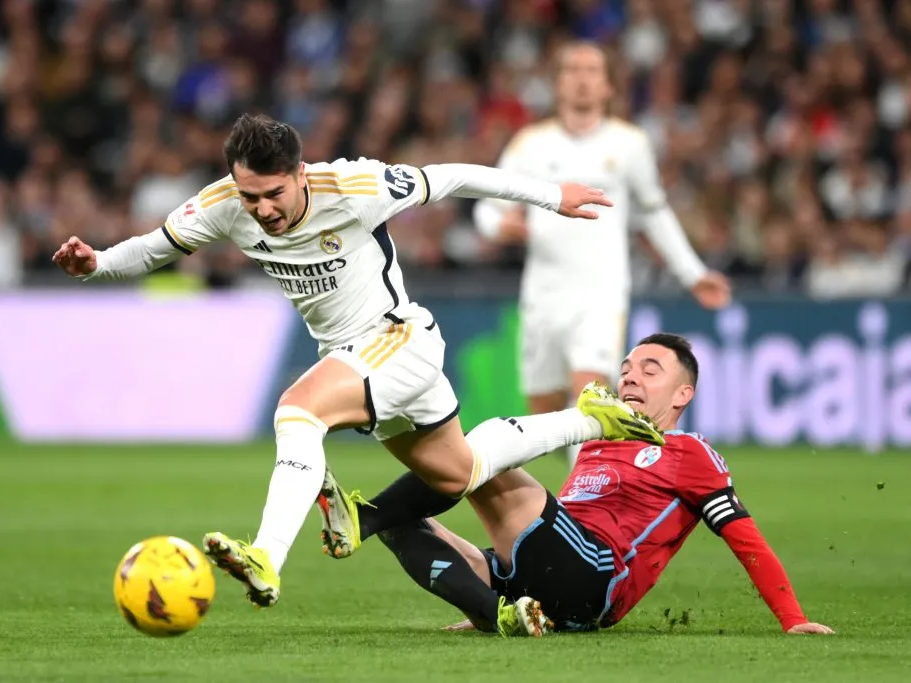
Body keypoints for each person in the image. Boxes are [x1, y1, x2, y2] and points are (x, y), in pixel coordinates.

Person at [51, 113, 662, 609]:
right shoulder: (223, 205)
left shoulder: (355, 187)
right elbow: (154, 248)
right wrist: (98, 264)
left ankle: (266, 555)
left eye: (273, 193)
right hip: (354, 357)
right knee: (459, 473)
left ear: (300, 174)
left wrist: (551, 196)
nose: (261, 209)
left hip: (399, 338)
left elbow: (450, 177)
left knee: (297, 410)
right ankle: (587, 419)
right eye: (250, 195)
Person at [316, 333, 835, 637]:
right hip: (546, 567)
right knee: (408, 524)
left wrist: (792, 619)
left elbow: (744, 535)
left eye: (650, 370)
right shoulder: (595, 440)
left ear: (683, 393)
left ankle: (365, 520)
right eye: (627, 367)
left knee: (478, 456)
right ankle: (494, 611)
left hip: (595, 577)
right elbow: (563, 513)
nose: (630, 376)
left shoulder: (690, 454)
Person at [474, 42, 732, 468]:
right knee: (545, 410)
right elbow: (487, 206)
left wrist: (693, 273)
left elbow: (654, 212)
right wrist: (498, 226)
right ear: (557, 82)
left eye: (592, 69)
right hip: (543, 295)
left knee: (588, 393)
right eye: (572, 69)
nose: (581, 77)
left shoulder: (629, 144)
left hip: (601, 292)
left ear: (608, 84)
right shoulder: (530, 145)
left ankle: (583, 515)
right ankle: (569, 480)